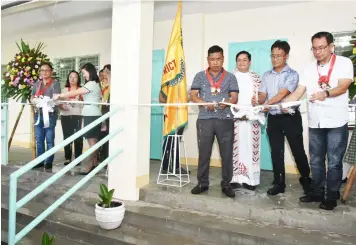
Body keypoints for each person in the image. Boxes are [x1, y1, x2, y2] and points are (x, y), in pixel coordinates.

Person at [284, 32, 353, 210]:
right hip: (316, 122)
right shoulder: (309, 69)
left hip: (336, 122)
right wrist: (287, 102)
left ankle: (331, 196)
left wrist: (326, 93)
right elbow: (299, 91)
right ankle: (316, 193)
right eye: (314, 48)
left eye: (321, 48)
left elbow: (344, 85)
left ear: (331, 47)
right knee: (315, 160)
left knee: (334, 161)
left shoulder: (344, 63)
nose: (317, 52)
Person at [257, 40, 311, 196]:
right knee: (276, 151)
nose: (275, 59)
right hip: (273, 119)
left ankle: (306, 178)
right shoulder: (266, 75)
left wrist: (266, 104)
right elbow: (263, 94)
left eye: (279, 56)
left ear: (286, 56)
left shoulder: (293, 74)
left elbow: (283, 94)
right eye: (273, 56)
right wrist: (259, 100)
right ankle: (279, 182)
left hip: (290, 118)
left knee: (297, 150)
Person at [189, 45, 239, 198]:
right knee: (204, 153)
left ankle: (226, 184)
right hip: (205, 120)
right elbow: (193, 95)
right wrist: (204, 103)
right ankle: (202, 183)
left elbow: (234, 98)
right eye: (212, 59)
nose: (215, 62)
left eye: (218, 59)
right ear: (208, 60)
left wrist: (228, 102)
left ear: (223, 59)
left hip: (225, 119)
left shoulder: (231, 77)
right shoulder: (199, 76)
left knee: (227, 154)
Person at [54, 63, 105, 175]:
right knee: (93, 141)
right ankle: (95, 162)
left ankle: (92, 165)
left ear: (89, 71)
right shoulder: (94, 83)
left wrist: (59, 96)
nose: (84, 75)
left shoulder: (91, 83)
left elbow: (76, 92)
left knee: (92, 141)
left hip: (91, 114)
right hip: (91, 113)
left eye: (84, 73)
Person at [231, 51, 262, 190]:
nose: (242, 63)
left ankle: (251, 181)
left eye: (244, 60)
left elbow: (262, 97)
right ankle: (235, 179)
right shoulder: (230, 77)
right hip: (235, 118)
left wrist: (257, 105)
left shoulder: (256, 78)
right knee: (235, 148)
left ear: (250, 61)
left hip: (251, 118)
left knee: (250, 148)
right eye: (239, 60)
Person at [31, 63, 61, 169]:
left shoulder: (55, 84)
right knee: (39, 139)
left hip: (50, 115)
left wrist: (46, 101)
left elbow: (56, 98)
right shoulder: (37, 84)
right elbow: (32, 97)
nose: (44, 72)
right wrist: (35, 100)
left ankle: (48, 162)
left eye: (46, 70)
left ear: (51, 72)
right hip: (38, 115)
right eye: (42, 70)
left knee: (49, 139)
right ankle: (39, 161)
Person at [159, 91, 189, 174]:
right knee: (169, 141)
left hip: (181, 116)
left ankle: (174, 167)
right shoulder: (168, 81)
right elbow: (161, 99)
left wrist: (185, 98)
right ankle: (166, 167)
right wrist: (173, 100)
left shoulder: (183, 84)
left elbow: (188, 99)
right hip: (170, 115)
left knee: (176, 141)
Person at [59, 71, 83, 166]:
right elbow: (59, 104)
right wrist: (62, 107)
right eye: (70, 77)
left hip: (78, 116)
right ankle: (68, 158)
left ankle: (78, 158)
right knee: (67, 137)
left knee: (78, 137)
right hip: (65, 116)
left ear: (78, 79)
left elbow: (85, 103)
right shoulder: (64, 90)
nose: (72, 79)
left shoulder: (81, 90)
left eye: (75, 77)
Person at [98, 65, 110, 162]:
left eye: (106, 71)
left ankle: (106, 159)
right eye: (103, 72)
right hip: (99, 114)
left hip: (108, 114)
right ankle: (101, 158)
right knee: (100, 137)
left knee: (107, 137)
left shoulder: (112, 85)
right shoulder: (100, 85)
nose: (104, 74)